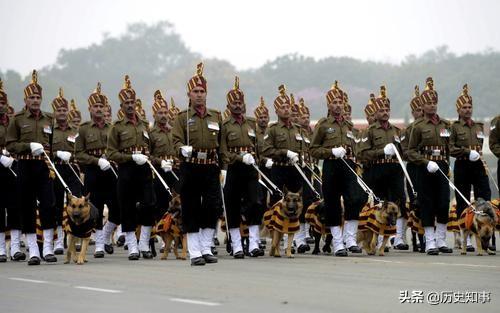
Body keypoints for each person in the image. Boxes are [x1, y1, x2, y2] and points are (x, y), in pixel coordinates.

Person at [172, 63, 223, 266]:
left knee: (212, 206)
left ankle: (206, 247)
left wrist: (224, 167)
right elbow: (175, 140)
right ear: (189, 94)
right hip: (190, 166)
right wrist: (180, 148)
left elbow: (222, 144)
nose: (199, 95)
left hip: (210, 166)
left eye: (202, 91)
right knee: (191, 207)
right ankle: (194, 252)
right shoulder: (182, 117)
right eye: (195, 91)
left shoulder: (216, 116)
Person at [6, 70, 57, 265]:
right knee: (26, 207)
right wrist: (28, 147)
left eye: (38, 97)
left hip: (43, 166)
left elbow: (51, 144)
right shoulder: (18, 119)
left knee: (48, 205)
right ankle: (33, 250)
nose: (35, 100)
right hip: (25, 165)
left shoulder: (48, 119)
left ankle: (48, 248)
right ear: (25, 99)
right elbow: (10, 145)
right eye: (32, 97)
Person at [310, 81, 367, 256]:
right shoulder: (323, 125)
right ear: (328, 105)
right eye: (334, 102)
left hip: (348, 166)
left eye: (340, 102)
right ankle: (337, 242)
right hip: (331, 166)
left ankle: (349, 238)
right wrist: (331, 151)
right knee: (333, 204)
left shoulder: (348, 126)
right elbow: (313, 149)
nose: (338, 105)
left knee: (357, 197)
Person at [107, 75, 156, 260]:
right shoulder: (116, 127)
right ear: (121, 106)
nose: (130, 105)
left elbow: (149, 147)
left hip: (144, 170)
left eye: (132, 102)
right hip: (126, 170)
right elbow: (111, 153)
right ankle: (133, 245)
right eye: (126, 102)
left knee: (149, 204)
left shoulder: (144, 124)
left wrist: (147, 156)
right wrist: (130, 157)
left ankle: (144, 242)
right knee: (126, 207)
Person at [407, 77, 453, 255]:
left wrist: (446, 164)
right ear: (423, 106)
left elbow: (448, 147)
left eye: (434, 103)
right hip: (424, 167)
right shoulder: (418, 126)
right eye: (428, 103)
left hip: (441, 165)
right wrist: (426, 162)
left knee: (443, 202)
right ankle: (430, 241)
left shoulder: (445, 125)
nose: (432, 106)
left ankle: (441, 239)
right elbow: (410, 152)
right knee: (427, 203)